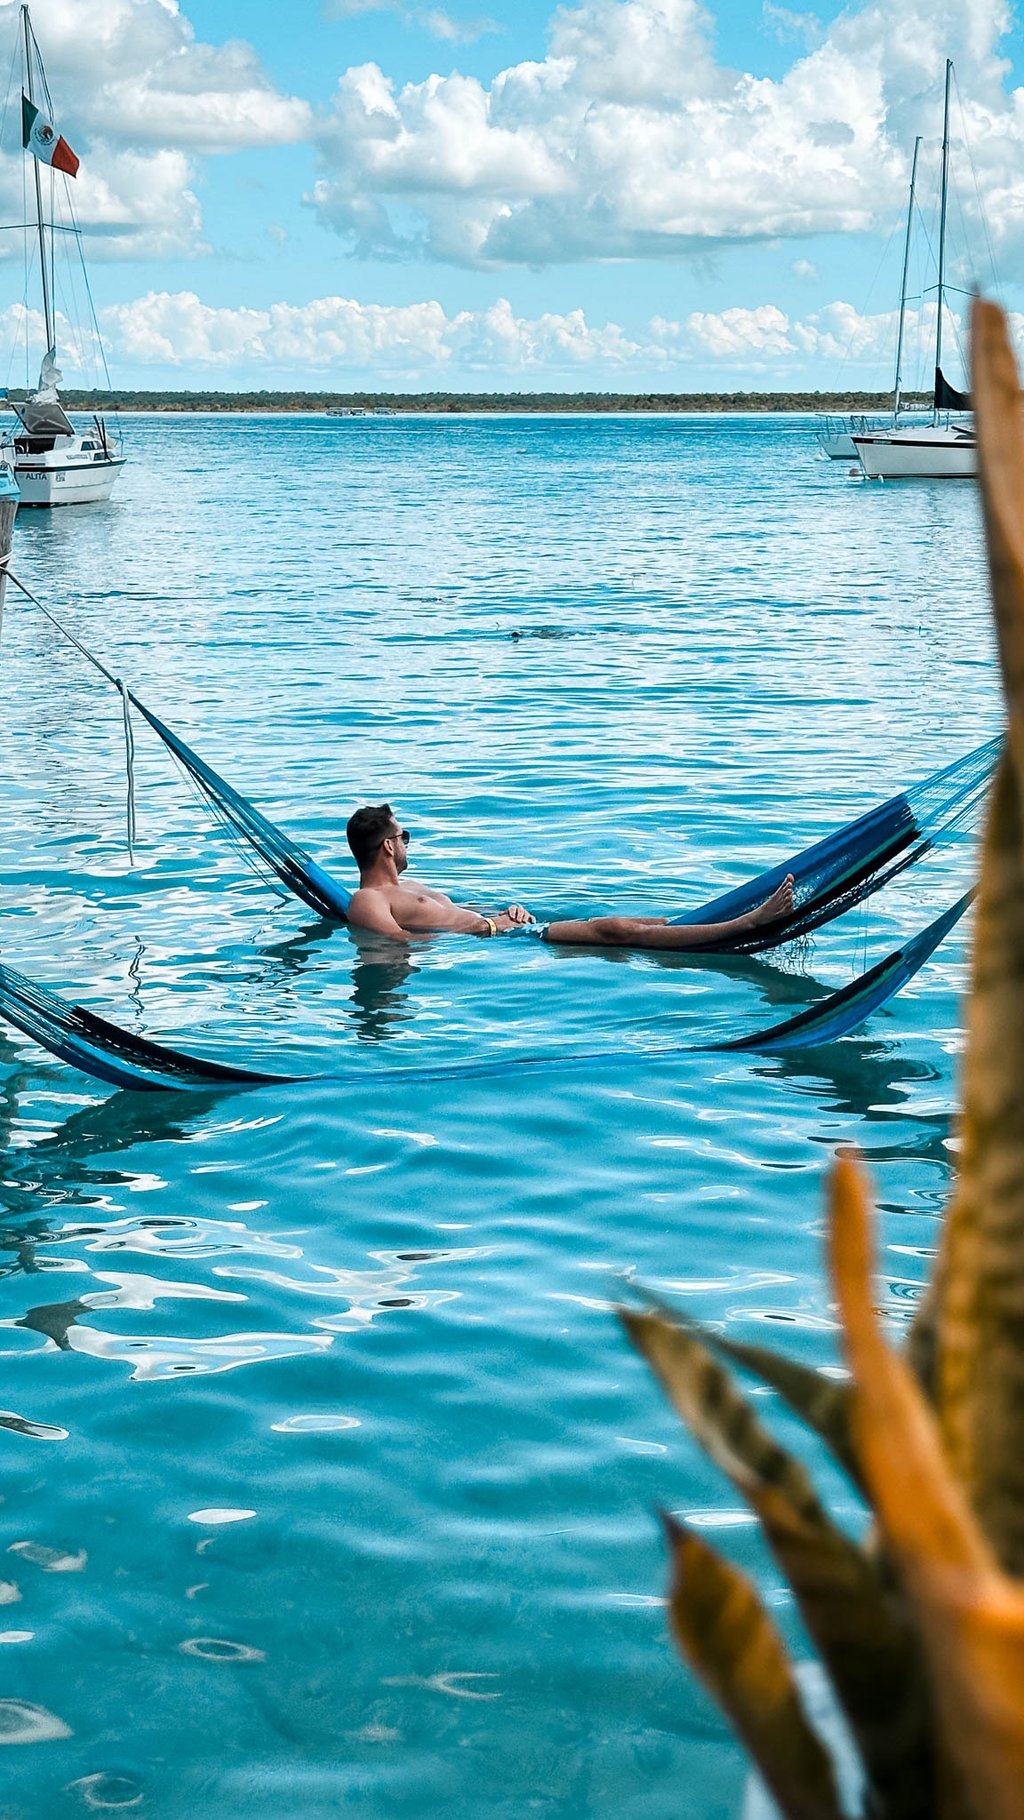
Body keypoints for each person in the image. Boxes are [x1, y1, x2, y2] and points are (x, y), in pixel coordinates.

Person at [345, 803, 795, 949]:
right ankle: (746, 924)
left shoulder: (409, 889)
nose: (408, 843)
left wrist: (501, 913)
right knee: (614, 930)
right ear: (388, 846)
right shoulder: (368, 900)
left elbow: (451, 914)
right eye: (405, 836)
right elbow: (396, 942)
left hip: (513, 931)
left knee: (640, 923)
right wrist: (489, 927)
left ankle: (706, 922)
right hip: (505, 945)